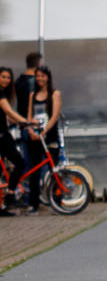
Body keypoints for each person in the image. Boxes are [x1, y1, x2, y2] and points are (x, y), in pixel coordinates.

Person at [25, 64, 62, 214]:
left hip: (49, 136)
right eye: (38, 76)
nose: (40, 78)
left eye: (43, 76)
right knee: (35, 170)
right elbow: (29, 116)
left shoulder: (55, 94)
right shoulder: (32, 95)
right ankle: (34, 203)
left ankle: (57, 200)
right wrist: (31, 130)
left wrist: (45, 131)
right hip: (35, 137)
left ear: (48, 77)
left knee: (55, 168)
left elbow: (54, 116)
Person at [0, 67, 29, 216]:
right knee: (20, 163)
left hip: (4, 134)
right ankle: (10, 195)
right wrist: (26, 121)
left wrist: (22, 122)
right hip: (2, 137)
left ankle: (2, 206)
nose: (6, 80)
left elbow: (8, 116)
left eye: (8, 78)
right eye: (3, 77)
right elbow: (9, 112)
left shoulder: (3, 93)